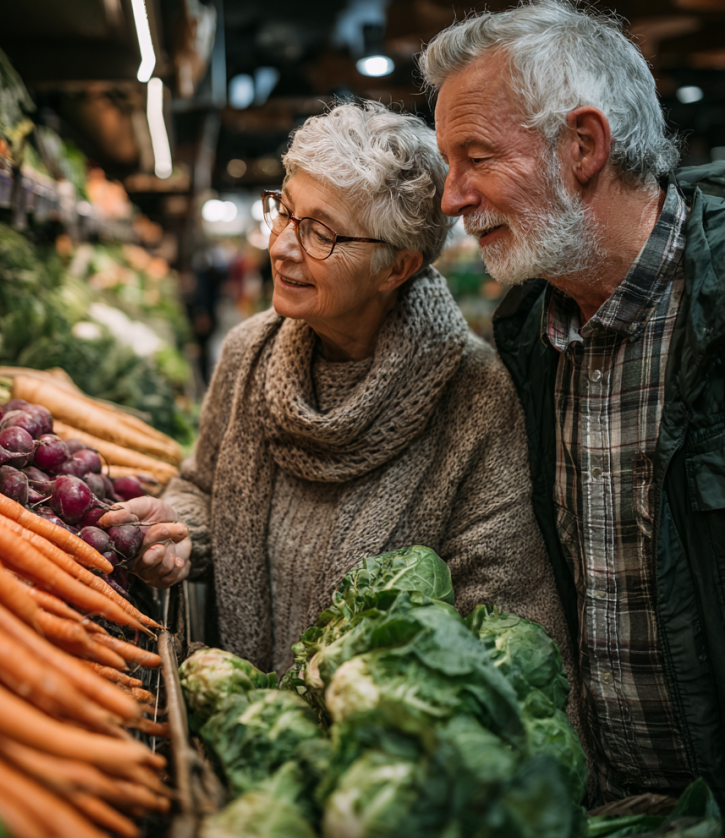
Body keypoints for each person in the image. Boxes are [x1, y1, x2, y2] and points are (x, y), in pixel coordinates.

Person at [103, 101, 569, 690]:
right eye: (286, 212)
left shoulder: (475, 398)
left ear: (395, 267)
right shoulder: (249, 354)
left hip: (385, 751)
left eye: (322, 232)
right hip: (247, 725)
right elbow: (203, 486)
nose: (283, 248)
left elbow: (503, 620)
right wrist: (178, 530)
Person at [422, 0, 725, 807]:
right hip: (613, 808)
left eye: (475, 156)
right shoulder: (529, 332)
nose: (452, 198)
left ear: (583, 144)